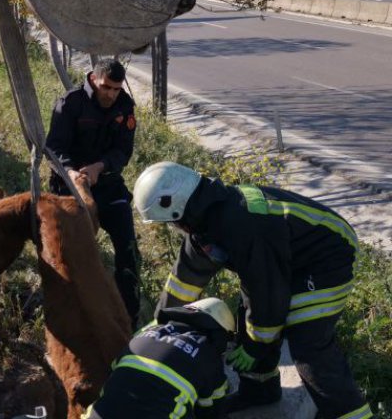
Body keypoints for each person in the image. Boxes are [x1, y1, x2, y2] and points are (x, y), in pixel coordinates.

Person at [132, 161, 373, 419]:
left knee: (308, 340)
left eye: (170, 221)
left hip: (326, 257)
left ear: (176, 206)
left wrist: (256, 346)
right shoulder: (204, 219)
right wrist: (161, 324)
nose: (173, 227)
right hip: (287, 259)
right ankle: (260, 390)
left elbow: (267, 291)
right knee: (250, 316)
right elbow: (185, 278)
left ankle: (349, 414)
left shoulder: (241, 223)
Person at [45, 58, 141, 327]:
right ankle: (70, 313)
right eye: (106, 87)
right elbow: (53, 148)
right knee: (69, 254)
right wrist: (71, 172)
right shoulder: (71, 102)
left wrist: (101, 166)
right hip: (70, 188)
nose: (110, 94)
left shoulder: (125, 106)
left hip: (108, 186)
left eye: (116, 88)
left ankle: (131, 318)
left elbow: (124, 151)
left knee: (129, 249)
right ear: (93, 79)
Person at [82, 297, 232, 419]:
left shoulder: (144, 334)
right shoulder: (207, 353)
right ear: (219, 333)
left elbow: (115, 369)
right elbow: (212, 409)